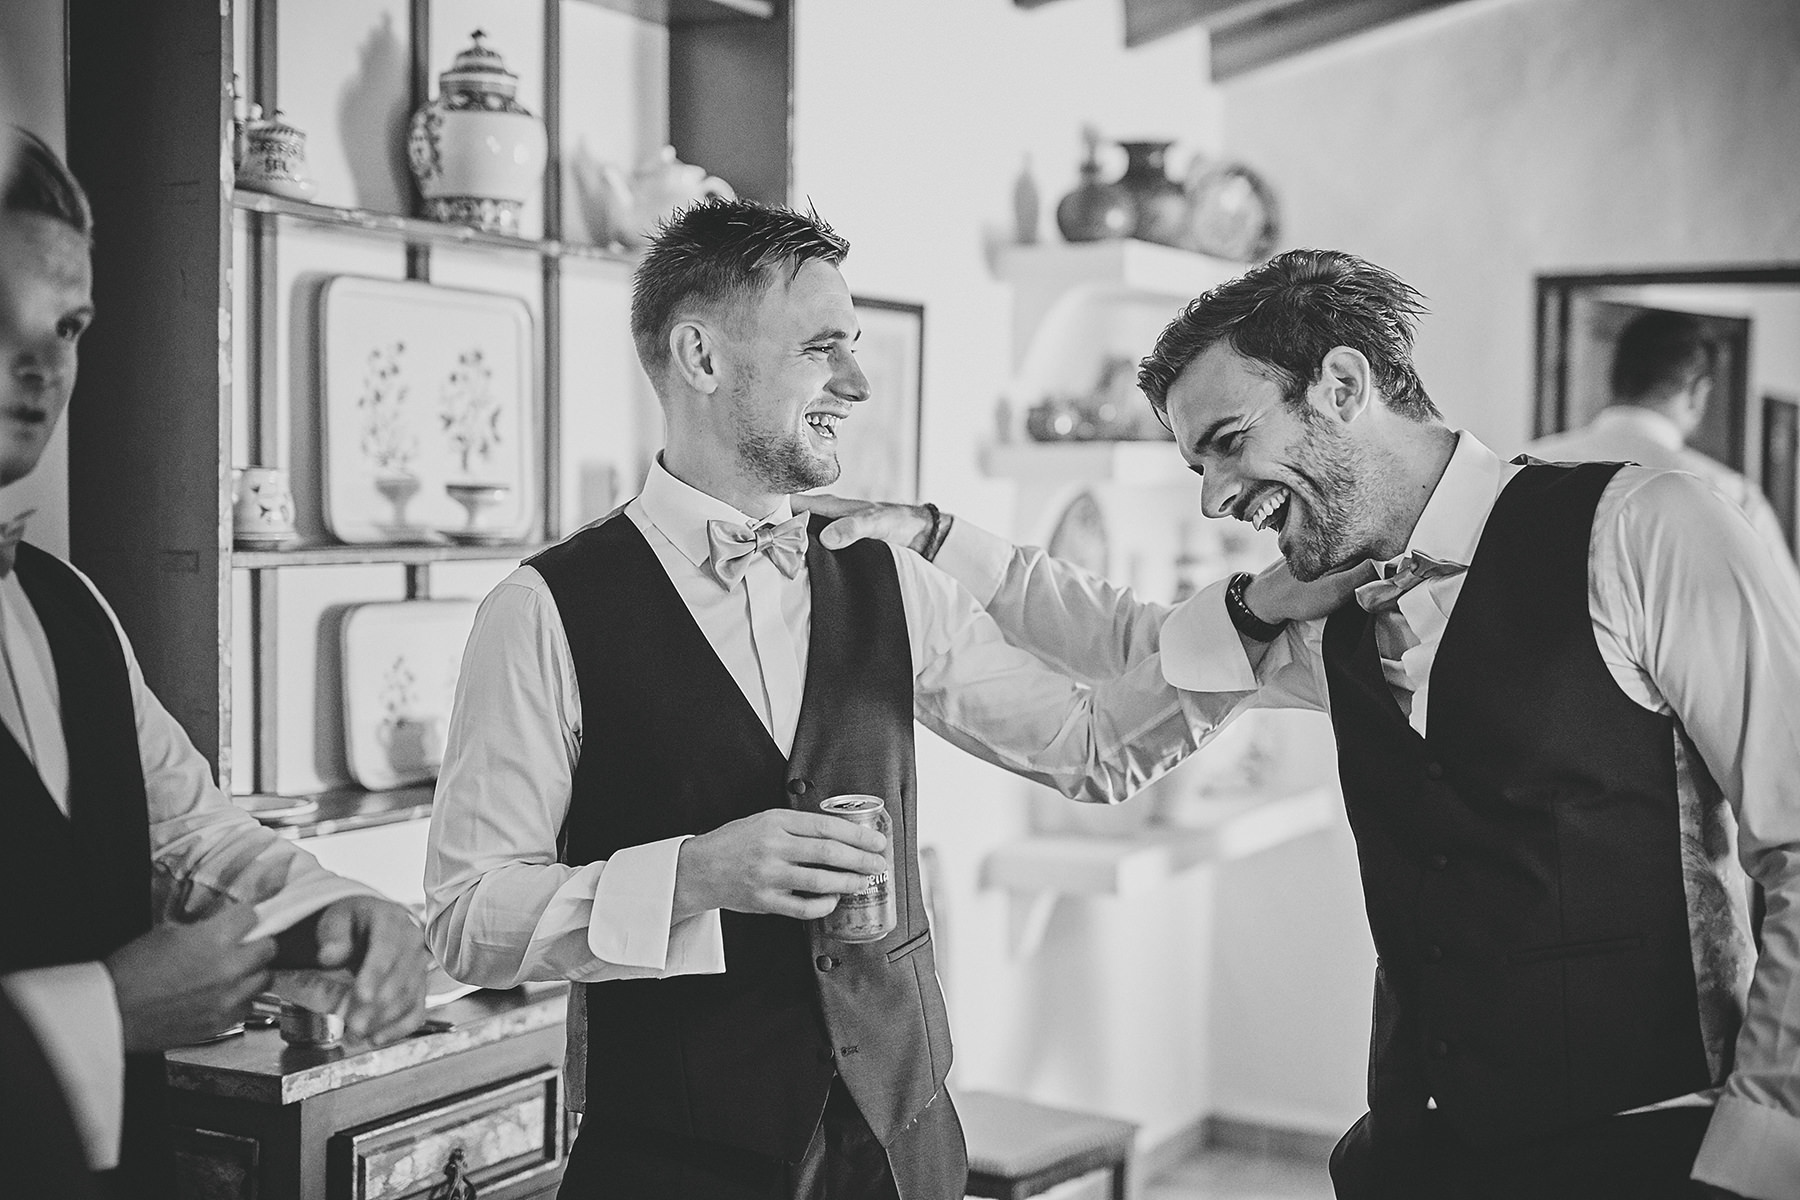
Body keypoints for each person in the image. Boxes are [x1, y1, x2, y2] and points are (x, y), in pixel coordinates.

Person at [808, 249, 1800, 1199]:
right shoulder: (1326, 610)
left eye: (1228, 442)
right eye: (1197, 465)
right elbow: (1134, 643)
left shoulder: (1648, 531)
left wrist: (1758, 1158)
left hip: (1649, 1151)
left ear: (1342, 385)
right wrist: (937, 538)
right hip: (1418, 1156)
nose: (1214, 499)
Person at [423, 198, 1208, 1200]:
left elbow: (1090, 747)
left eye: (855, 347)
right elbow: (467, 919)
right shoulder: (541, 612)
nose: (857, 382)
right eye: (820, 348)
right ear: (701, 357)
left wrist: (1252, 629)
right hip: (677, 1165)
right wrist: (693, 875)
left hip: (902, 1146)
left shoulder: (890, 575)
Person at [0, 127, 432, 1198]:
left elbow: (188, 835)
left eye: (67, 326)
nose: (41, 365)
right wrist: (101, 1014)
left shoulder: (66, 607)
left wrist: (328, 908)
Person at [1530, 307, 1799, 581]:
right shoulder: (1730, 496)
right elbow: (1786, 606)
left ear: (1614, 377)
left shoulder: (1523, 465)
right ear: (1698, 392)